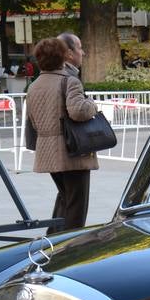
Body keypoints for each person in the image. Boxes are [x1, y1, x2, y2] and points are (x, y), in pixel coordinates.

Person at [26, 36, 101, 231]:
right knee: (77, 204)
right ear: (62, 57)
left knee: (65, 198)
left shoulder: (33, 86)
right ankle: (69, 245)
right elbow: (78, 111)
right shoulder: (69, 82)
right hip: (71, 152)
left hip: (47, 152)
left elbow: (32, 121)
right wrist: (92, 105)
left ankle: (54, 239)